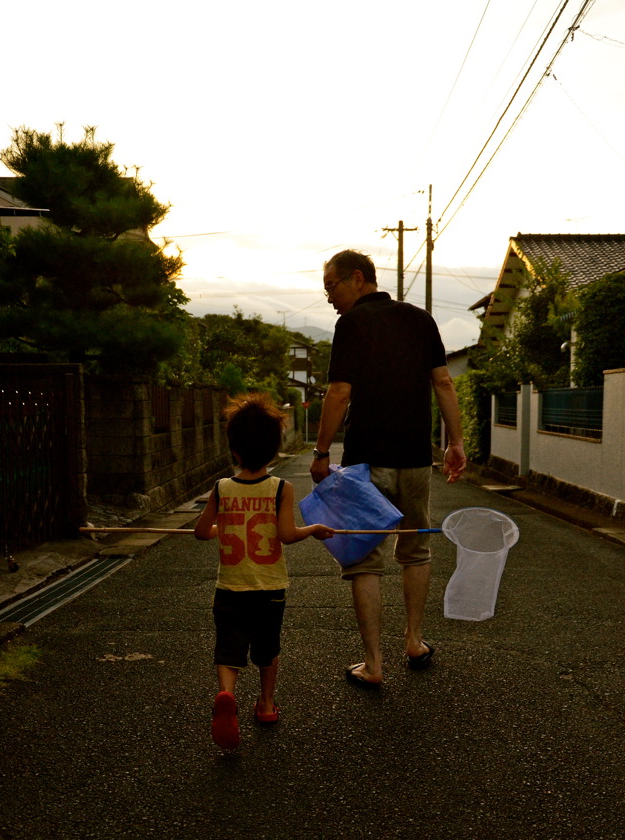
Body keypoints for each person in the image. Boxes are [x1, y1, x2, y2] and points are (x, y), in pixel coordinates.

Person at [310, 249, 466, 687]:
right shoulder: (421, 320)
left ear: (357, 279)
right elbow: (443, 382)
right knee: (416, 551)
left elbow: (339, 391)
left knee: (366, 561)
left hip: (367, 462)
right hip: (416, 459)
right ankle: (414, 642)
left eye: (331, 287)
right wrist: (455, 444)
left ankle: (374, 663)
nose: (329, 297)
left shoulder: (352, 323)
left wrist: (322, 452)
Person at [195, 393, 333, 750]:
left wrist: (219, 529)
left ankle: (226, 693)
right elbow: (287, 535)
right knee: (267, 648)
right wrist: (314, 529)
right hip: (270, 589)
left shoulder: (221, 489)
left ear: (234, 450)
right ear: (274, 450)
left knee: (229, 648)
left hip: (230, 588)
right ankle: (267, 704)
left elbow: (200, 532)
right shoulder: (281, 489)